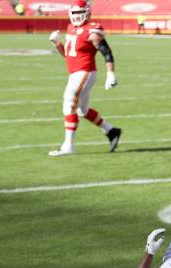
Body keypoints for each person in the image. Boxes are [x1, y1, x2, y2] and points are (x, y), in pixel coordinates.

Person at [47, 0, 121, 157]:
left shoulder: (92, 31)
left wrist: (111, 74)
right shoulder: (71, 28)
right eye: (74, 13)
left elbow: (107, 53)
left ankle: (68, 146)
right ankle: (112, 131)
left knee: (69, 103)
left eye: (80, 13)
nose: (77, 17)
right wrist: (56, 43)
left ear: (87, 13)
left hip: (84, 72)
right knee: (82, 110)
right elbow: (68, 55)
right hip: (76, 72)